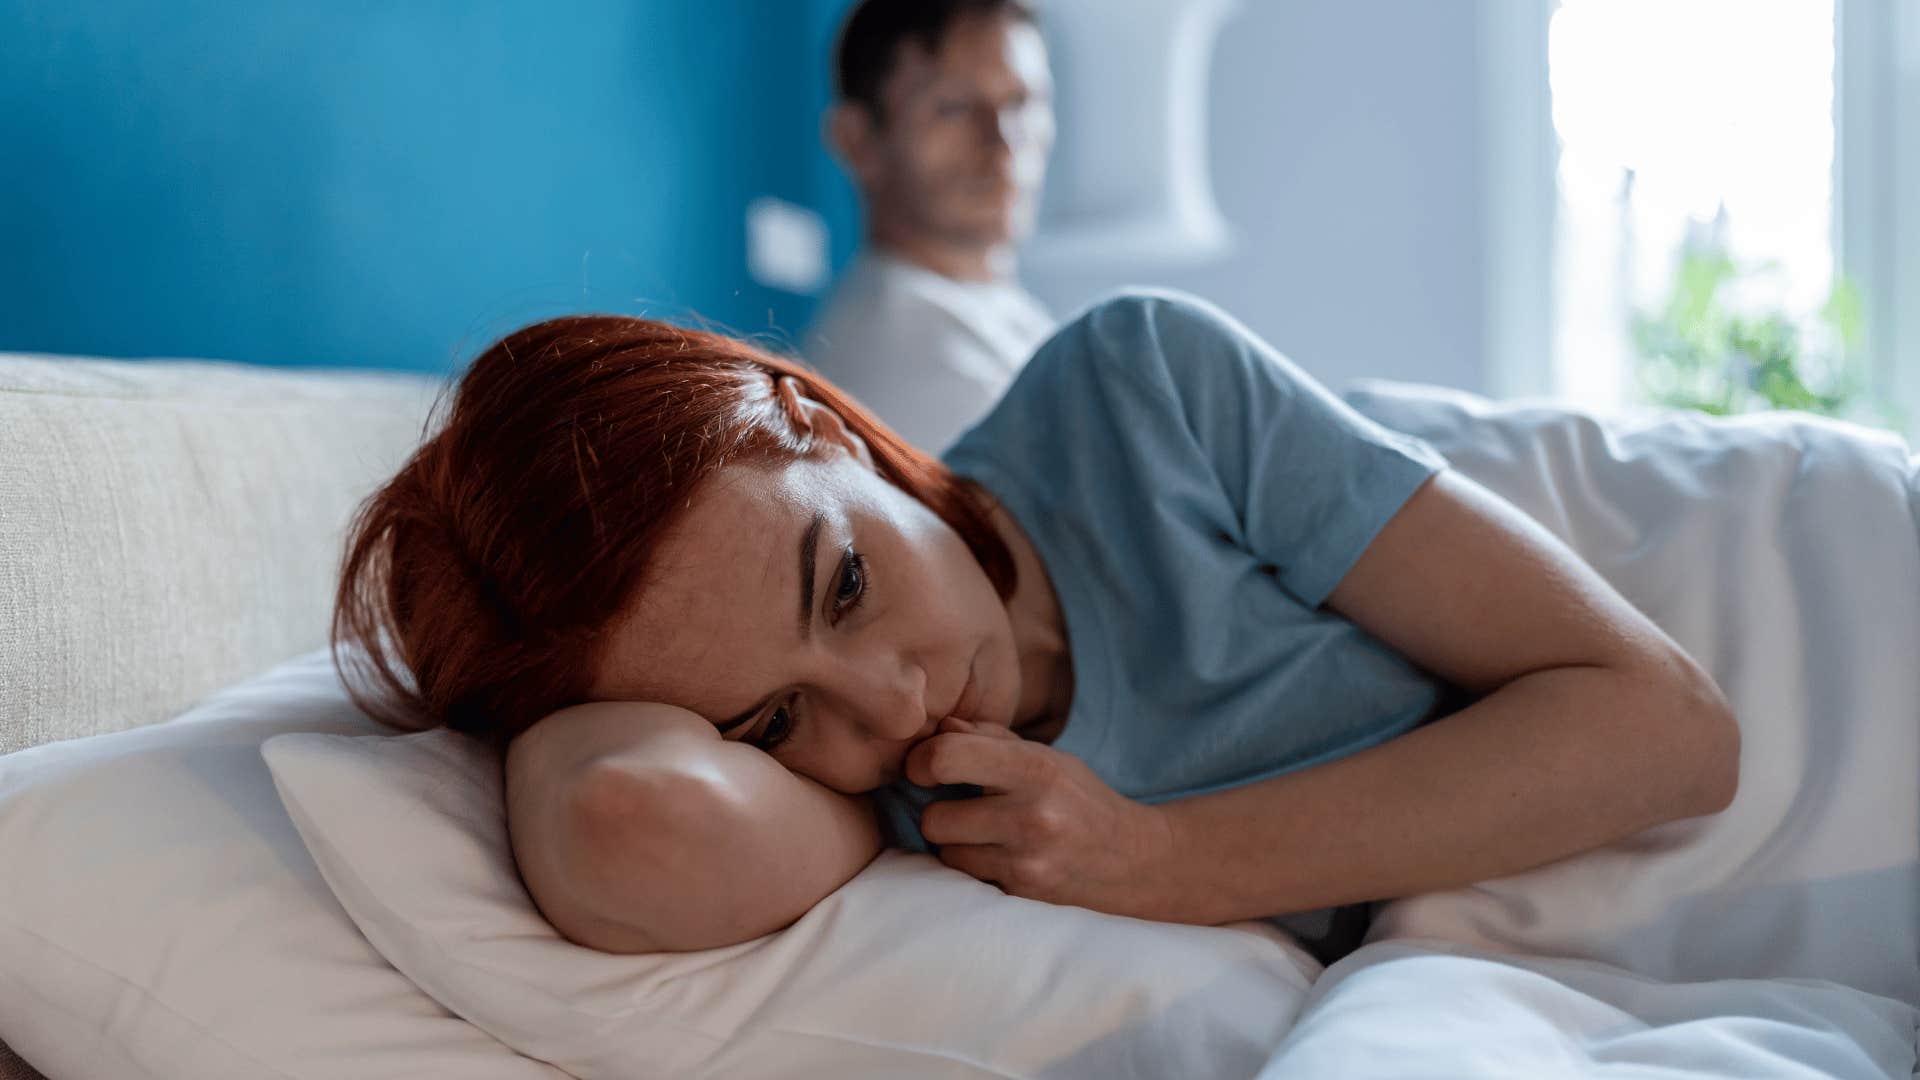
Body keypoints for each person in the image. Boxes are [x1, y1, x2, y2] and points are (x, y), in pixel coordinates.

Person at [332, 290, 1741, 966]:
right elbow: (626, 825)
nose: (890, 709)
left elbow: (1673, 732)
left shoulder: (1141, 393)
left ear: (826, 425)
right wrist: (544, 693)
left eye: (844, 585)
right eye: (770, 721)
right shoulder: (886, 797)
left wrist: (1157, 857)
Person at [802, 0, 1058, 454]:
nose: (1003, 142)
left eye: (1021, 102)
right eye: (954, 107)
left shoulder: (1006, 320)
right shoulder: (914, 369)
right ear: (857, 141)